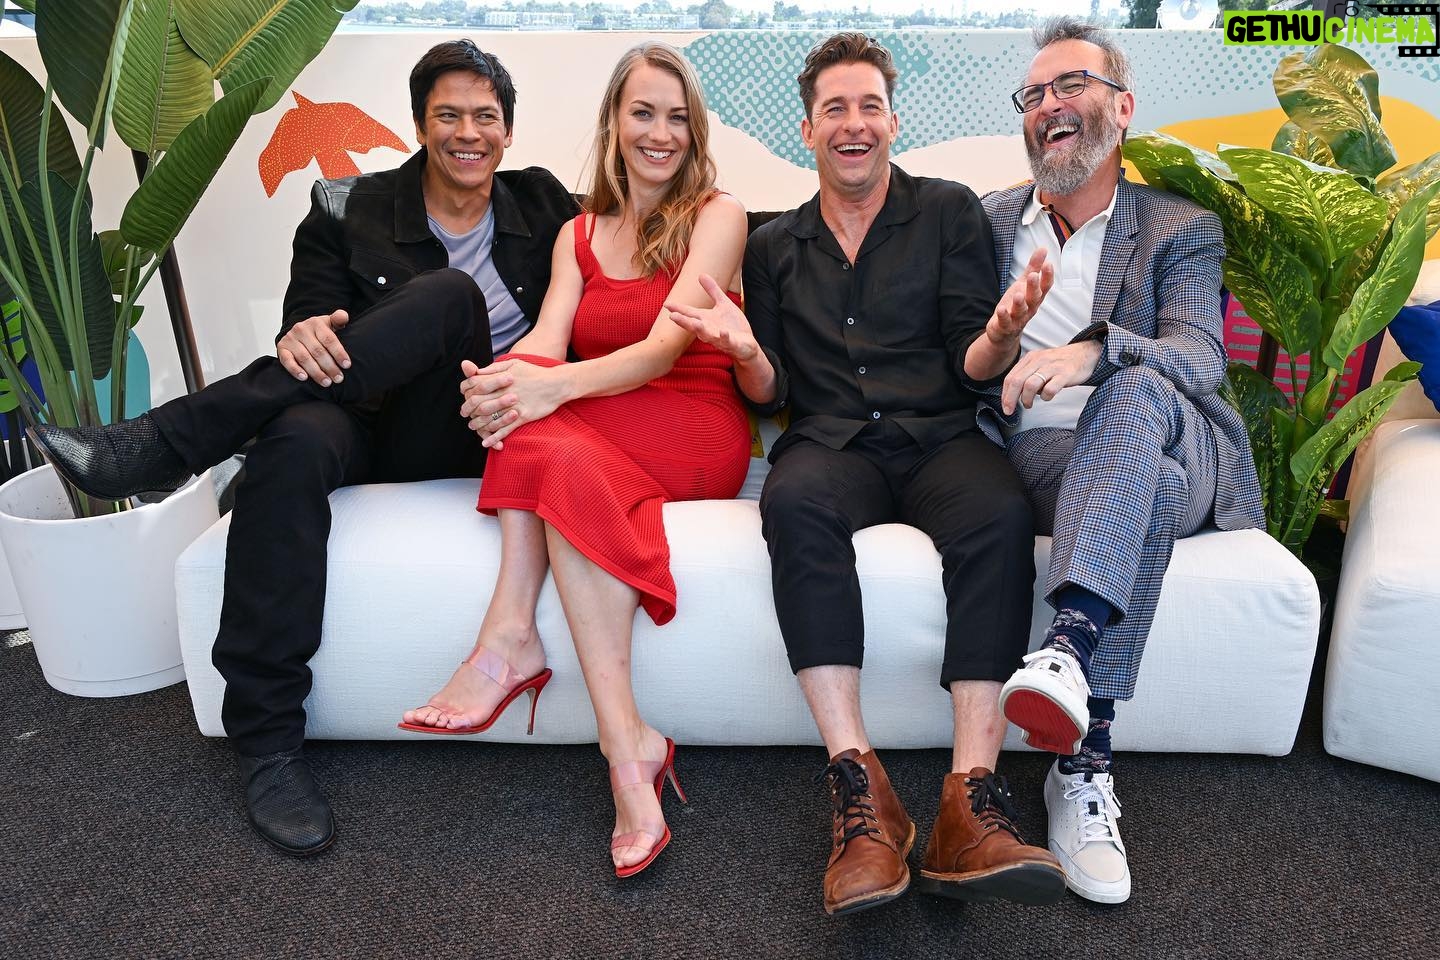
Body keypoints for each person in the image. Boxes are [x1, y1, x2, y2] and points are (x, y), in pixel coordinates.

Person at [29, 41, 580, 857]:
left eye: (485, 117)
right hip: (366, 417)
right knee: (289, 442)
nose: (468, 133)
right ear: (420, 125)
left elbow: (623, 259)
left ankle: (170, 441)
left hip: (479, 429)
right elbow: (311, 341)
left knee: (452, 297)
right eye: (448, 115)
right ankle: (268, 745)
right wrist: (305, 333)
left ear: (507, 131)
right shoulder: (347, 210)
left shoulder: (546, 205)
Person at [667, 33, 1064, 915]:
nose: (854, 124)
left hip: (938, 434)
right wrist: (744, 352)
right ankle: (861, 795)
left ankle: (970, 805)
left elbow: (971, 365)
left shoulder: (948, 212)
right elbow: (775, 394)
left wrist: (1003, 333)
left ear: (893, 120)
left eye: (870, 106)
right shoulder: (774, 244)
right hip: (832, 441)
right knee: (793, 502)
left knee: (1000, 514)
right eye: (835, 109)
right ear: (808, 129)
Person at [397, 41, 749, 879]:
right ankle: (628, 746)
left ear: (695, 131)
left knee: (539, 418)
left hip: (697, 426)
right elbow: (546, 342)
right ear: (614, 122)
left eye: (676, 118)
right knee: (525, 421)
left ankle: (509, 644)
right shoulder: (578, 233)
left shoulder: (719, 214)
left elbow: (662, 351)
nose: (659, 133)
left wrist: (545, 390)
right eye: (642, 113)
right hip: (608, 421)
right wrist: (499, 386)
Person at [969, 18, 1264, 904]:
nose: (1049, 105)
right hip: (1044, 455)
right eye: (1034, 94)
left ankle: (1064, 650)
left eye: (1072, 85)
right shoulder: (988, 222)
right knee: (1148, 489)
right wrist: (1004, 339)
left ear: (1122, 107)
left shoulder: (1180, 225)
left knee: (1134, 394)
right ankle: (1084, 763)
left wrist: (1097, 353)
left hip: (1177, 435)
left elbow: (1201, 357)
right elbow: (963, 360)